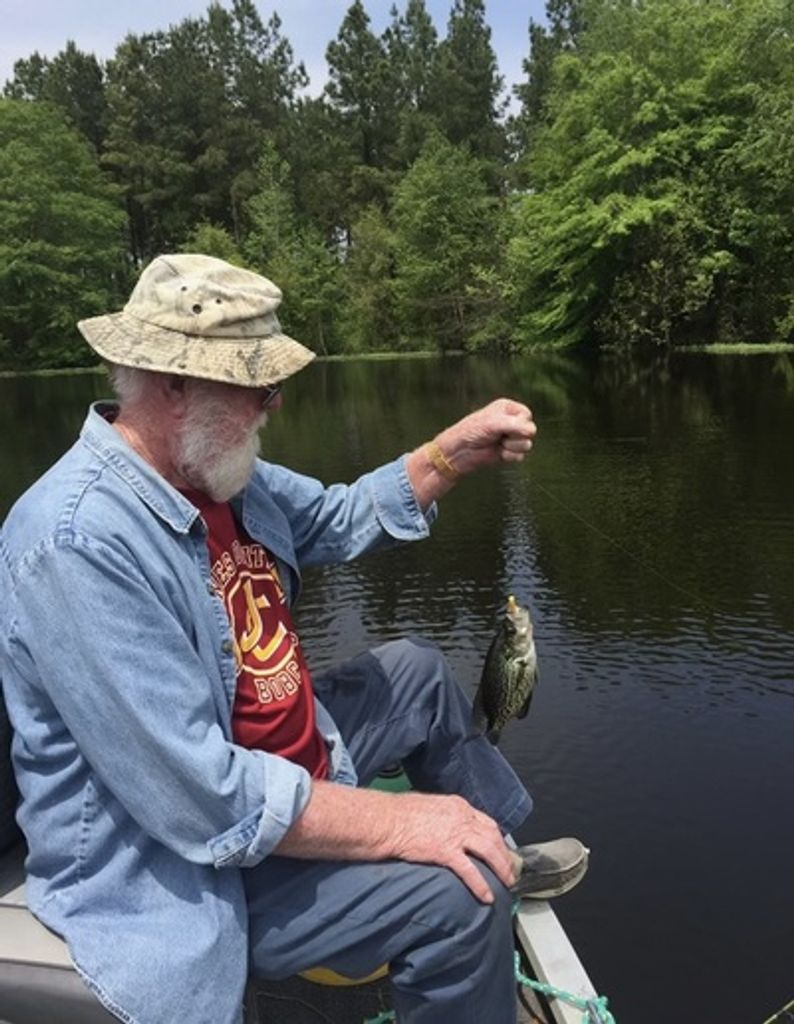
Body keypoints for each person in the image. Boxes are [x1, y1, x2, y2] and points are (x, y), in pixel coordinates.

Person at [0, 254, 587, 1024]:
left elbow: (338, 516)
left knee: (414, 672)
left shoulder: (214, 472)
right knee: (459, 894)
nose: (274, 403)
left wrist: (453, 454)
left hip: (291, 767)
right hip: (194, 863)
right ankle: (481, 868)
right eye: (256, 386)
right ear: (174, 385)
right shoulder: (77, 545)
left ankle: (500, 843)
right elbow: (202, 801)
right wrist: (406, 819)